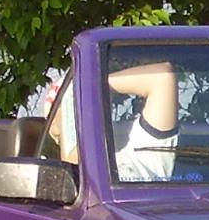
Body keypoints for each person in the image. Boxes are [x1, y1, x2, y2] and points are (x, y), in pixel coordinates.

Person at [43, 60, 178, 181]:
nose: (88, 111)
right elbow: (76, 162)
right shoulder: (49, 185)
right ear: (53, 126)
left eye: (94, 102)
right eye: (72, 104)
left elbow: (162, 77)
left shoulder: (143, 159)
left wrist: (96, 86)